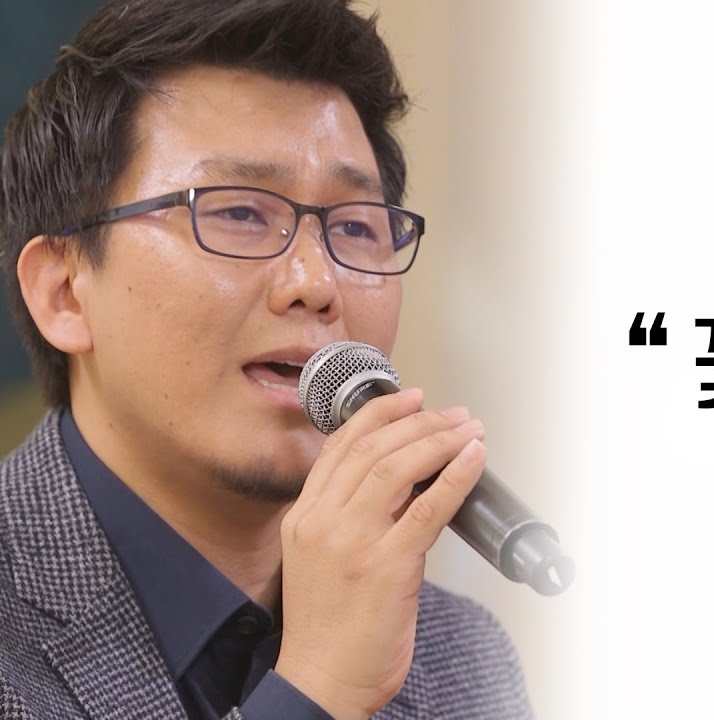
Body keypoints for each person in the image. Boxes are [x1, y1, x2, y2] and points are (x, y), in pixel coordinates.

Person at [0, 0, 532, 718]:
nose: (316, 282)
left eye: (356, 227)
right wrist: (314, 689)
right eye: (240, 214)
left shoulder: (460, 657)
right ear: (64, 292)